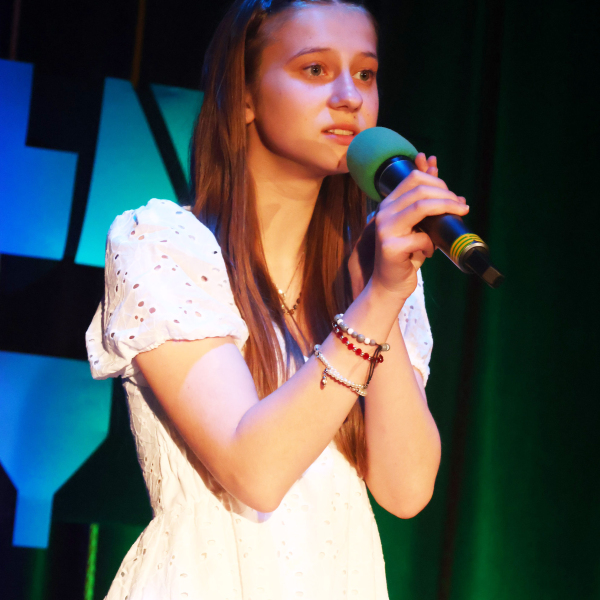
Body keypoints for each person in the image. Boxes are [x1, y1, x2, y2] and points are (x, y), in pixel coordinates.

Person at [86, 0, 469, 597]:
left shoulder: (373, 275)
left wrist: (382, 292)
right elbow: (255, 472)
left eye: (365, 73)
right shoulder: (161, 242)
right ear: (243, 95)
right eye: (316, 69)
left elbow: (406, 489)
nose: (349, 97)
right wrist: (375, 300)